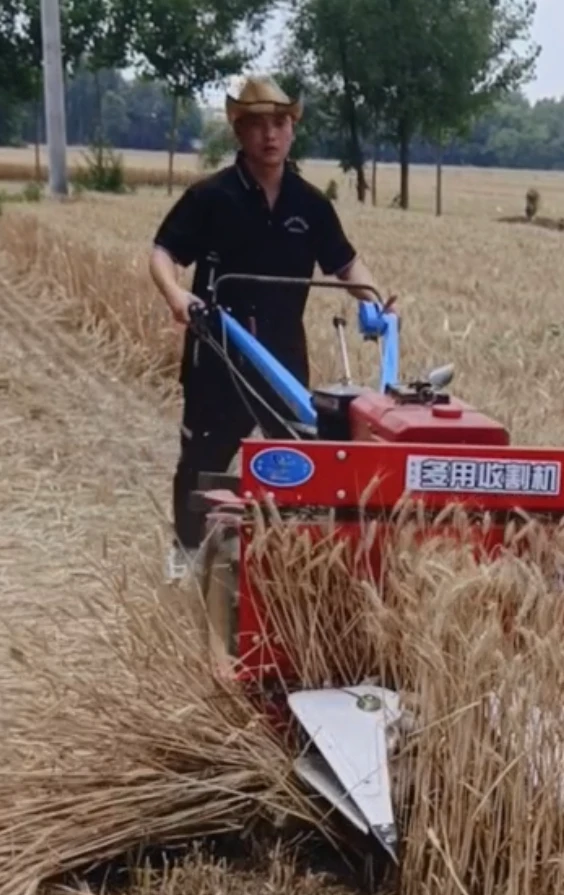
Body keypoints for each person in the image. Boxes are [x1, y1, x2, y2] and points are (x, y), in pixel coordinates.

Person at [149, 75, 385, 581]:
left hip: (283, 352)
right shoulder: (211, 197)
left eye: (279, 123)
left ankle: (287, 561)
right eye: (257, 125)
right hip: (218, 349)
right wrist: (176, 295)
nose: (270, 135)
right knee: (204, 453)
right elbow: (163, 252)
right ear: (239, 130)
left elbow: (345, 265)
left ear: (292, 130)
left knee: (295, 458)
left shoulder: (310, 205)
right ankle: (187, 552)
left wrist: (376, 302)